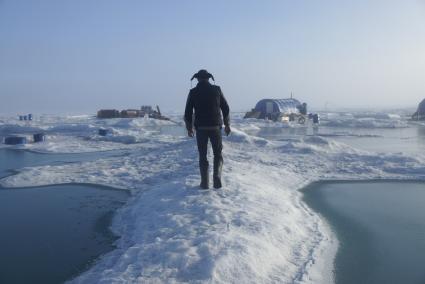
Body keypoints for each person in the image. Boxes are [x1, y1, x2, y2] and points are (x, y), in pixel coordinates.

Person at [184, 69, 230, 189]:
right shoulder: (217, 89)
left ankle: (204, 182)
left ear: (198, 79)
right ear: (208, 78)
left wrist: (189, 128)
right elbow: (225, 108)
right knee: (218, 154)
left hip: (201, 128)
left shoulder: (193, 92)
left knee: (203, 155)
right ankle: (217, 178)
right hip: (215, 127)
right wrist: (227, 124)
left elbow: (187, 112)